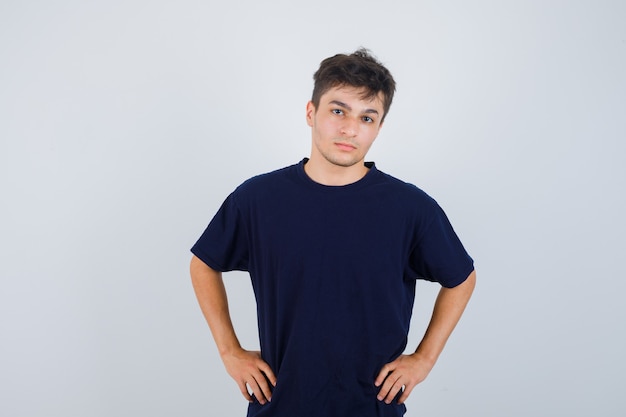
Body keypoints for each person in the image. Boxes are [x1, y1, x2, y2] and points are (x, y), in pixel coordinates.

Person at [190, 48, 476, 417]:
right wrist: (230, 351)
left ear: (379, 127)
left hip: (371, 408)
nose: (350, 129)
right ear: (311, 113)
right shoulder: (257, 200)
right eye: (338, 110)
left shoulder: (410, 209)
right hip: (280, 406)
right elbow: (203, 263)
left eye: (367, 117)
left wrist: (423, 358)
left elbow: (461, 277)